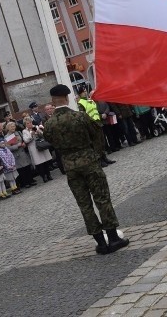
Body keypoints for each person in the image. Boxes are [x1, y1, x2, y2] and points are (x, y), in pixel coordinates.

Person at [42, 84, 129, 255]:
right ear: (67, 98)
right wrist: (96, 154)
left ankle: (100, 243)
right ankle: (113, 239)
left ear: (53, 101)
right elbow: (97, 135)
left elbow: (52, 143)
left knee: (85, 205)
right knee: (102, 199)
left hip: (70, 166)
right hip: (89, 161)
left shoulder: (49, 124)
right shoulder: (80, 117)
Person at [22, 115, 54, 182]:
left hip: (41, 145)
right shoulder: (24, 131)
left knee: (45, 160)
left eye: (30, 122)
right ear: (25, 124)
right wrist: (31, 135)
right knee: (39, 163)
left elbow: (43, 134)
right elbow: (26, 140)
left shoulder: (36, 127)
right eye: (28, 123)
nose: (30, 124)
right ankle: (43, 176)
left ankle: (49, 174)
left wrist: (39, 132)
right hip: (34, 148)